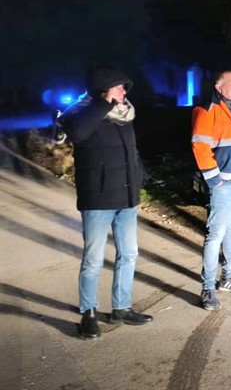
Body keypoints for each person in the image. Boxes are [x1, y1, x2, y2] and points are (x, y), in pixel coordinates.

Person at [61, 66, 153, 339]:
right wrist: (103, 104)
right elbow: (78, 134)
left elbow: (132, 152)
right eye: (119, 86)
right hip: (98, 198)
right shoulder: (81, 112)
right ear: (104, 89)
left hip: (127, 197)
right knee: (93, 259)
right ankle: (88, 313)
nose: (125, 91)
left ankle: (121, 308)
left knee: (129, 254)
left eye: (125, 87)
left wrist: (140, 175)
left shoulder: (126, 115)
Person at [192, 71, 231, 311]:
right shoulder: (208, 110)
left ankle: (228, 277)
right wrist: (214, 180)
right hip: (224, 185)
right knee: (216, 235)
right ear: (219, 88)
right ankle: (208, 287)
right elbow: (199, 145)